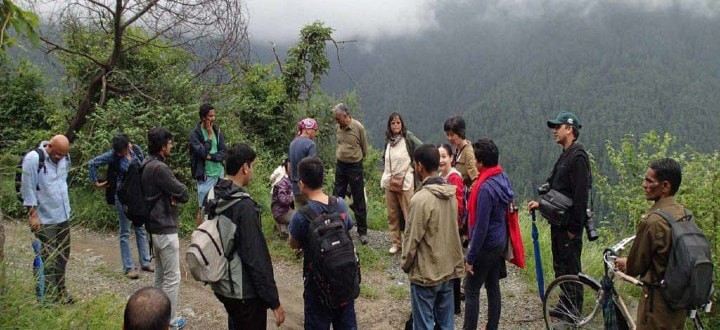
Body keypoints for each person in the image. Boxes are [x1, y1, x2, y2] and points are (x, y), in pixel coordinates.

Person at [208, 143, 285, 329]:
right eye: (253, 166)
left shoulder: (213, 194)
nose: (252, 170)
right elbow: (256, 258)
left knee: (235, 321)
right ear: (245, 167)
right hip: (244, 292)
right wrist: (274, 301)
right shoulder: (244, 207)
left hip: (223, 284)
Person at [527, 111, 591, 319]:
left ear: (570, 129)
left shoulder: (578, 156)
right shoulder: (566, 154)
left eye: (558, 126)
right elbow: (557, 188)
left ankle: (573, 313)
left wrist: (575, 228)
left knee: (571, 268)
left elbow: (581, 195)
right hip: (558, 223)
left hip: (569, 226)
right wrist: (541, 204)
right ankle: (565, 305)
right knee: (560, 266)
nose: (555, 130)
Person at [615, 158, 687, 330]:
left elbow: (635, 267)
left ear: (665, 186)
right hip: (680, 301)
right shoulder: (683, 213)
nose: (644, 185)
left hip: (657, 305)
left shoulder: (653, 221)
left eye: (649, 181)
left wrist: (625, 263)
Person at [289, 157, 357, 329]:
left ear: (302, 184)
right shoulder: (340, 204)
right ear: (323, 179)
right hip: (344, 278)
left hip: (318, 284)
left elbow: (294, 243)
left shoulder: (301, 216)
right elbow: (348, 226)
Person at [401, 144, 464, 330]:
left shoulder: (420, 199)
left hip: (425, 273)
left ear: (419, 165)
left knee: (424, 324)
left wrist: (406, 263)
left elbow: (412, 237)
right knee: (446, 324)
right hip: (448, 269)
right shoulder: (450, 193)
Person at [463, 139, 514, 330]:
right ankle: (492, 326)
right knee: (493, 285)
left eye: (475, 159)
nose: (474, 163)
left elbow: (480, 228)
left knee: (471, 289)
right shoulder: (502, 177)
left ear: (481, 163)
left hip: (486, 245)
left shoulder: (484, 188)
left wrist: (470, 257)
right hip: (499, 241)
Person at [141, 127, 190, 329]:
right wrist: (175, 194)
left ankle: (155, 317)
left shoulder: (145, 163)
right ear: (162, 146)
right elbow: (183, 193)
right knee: (172, 278)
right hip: (165, 228)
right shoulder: (160, 169)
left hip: (153, 228)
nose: (171, 146)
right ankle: (168, 321)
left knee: (160, 277)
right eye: (170, 143)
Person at [87, 133, 153, 279]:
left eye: (122, 150)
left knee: (140, 228)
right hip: (122, 197)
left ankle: (145, 261)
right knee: (125, 230)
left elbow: (143, 166)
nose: (120, 153)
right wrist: (96, 182)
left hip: (137, 195)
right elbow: (92, 163)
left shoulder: (136, 150)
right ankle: (128, 267)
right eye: (117, 151)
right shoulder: (112, 156)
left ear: (127, 145)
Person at [20, 134, 74, 304]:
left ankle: (60, 291)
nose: (60, 158)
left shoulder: (64, 159)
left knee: (63, 255)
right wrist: (32, 214)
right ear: (49, 146)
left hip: (63, 216)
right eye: (58, 154)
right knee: (47, 258)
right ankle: (47, 298)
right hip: (44, 218)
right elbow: (27, 187)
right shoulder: (34, 159)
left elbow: (62, 182)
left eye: (63, 155)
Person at [381, 112, 421, 254]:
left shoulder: (408, 138)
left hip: (406, 181)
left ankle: (411, 243)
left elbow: (420, 148)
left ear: (402, 124)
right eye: (393, 123)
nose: (396, 125)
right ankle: (396, 242)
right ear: (389, 126)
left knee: (408, 213)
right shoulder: (389, 141)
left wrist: (414, 166)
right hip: (390, 180)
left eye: (398, 122)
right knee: (392, 214)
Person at [332, 103, 369, 245]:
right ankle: (336, 227)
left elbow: (364, 148)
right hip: (340, 165)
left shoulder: (358, 127)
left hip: (355, 166)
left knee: (358, 197)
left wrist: (356, 160)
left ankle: (362, 232)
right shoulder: (338, 127)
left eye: (338, 118)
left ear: (346, 116)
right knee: (337, 196)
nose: (336, 120)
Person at [438, 143, 465, 315]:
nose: (441, 160)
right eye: (438, 156)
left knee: (454, 265)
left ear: (451, 158)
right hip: (443, 226)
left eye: (444, 156)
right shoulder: (441, 176)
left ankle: (455, 305)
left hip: (453, 227)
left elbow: (459, 205)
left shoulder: (455, 177)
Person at [189, 103, 226, 226]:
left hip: (219, 173)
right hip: (205, 176)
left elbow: (224, 152)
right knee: (202, 208)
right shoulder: (195, 134)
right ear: (203, 117)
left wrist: (211, 157)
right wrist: (209, 137)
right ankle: (198, 237)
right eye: (210, 116)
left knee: (219, 206)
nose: (213, 118)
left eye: (214, 115)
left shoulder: (217, 130)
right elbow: (202, 153)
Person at [289, 118, 318, 209]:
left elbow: (289, 166)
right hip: (307, 188)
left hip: (295, 188)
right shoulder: (310, 144)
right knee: (313, 217)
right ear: (308, 130)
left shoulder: (292, 144)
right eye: (314, 130)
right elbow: (312, 167)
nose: (315, 133)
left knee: (300, 216)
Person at [443, 115, 478, 187]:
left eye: (452, 135)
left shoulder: (468, 153)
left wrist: (468, 194)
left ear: (460, 133)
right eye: (447, 135)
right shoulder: (457, 150)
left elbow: (476, 180)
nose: (449, 138)